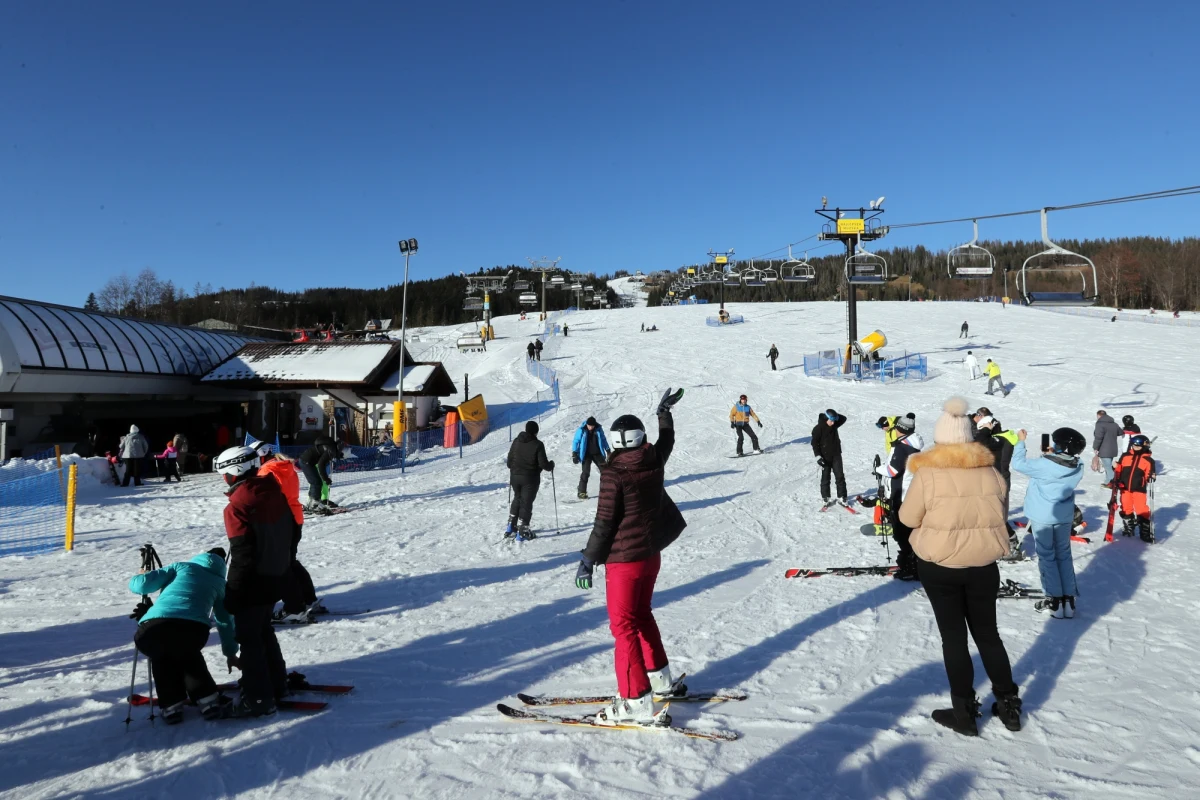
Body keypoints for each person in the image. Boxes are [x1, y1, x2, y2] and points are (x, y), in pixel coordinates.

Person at [898, 396, 1020, 736]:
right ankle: (1009, 706)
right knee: (988, 635)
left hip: (941, 566)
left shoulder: (929, 474)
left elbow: (907, 517)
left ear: (939, 440)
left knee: (954, 638)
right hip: (984, 564)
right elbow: (1000, 515)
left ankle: (964, 714)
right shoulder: (992, 473)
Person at [574, 389, 686, 726]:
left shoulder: (614, 474)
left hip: (624, 562)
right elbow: (666, 439)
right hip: (650, 556)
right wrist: (663, 412)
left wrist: (588, 559)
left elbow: (605, 522)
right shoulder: (652, 458)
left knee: (624, 628)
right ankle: (660, 681)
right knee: (641, 616)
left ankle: (636, 701)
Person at [215, 445, 295, 717]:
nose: (224, 480)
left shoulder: (238, 504)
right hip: (276, 575)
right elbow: (292, 533)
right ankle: (277, 684)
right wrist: (285, 568)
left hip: (254, 580)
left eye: (224, 475)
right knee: (263, 631)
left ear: (233, 472)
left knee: (248, 636)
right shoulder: (274, 491)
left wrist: (233, 591)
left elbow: (241, 553)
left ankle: (259, 698)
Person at [128, 547, 239, 723]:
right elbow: (225, 622)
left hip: (152, 628)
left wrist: (142, 574)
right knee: (187, 655)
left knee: (161, 657)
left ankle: (171, 705)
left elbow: (140, 585)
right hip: (193, 630)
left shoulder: (181, 567)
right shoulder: (220, 583)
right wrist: (231, 653)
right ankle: (208, 700)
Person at [1011, 427, 1085, 619]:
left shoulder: (1043, 465)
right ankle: (1068, 600)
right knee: (1063, 555)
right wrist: (1055, 455)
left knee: (1047, 556)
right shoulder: (1077, 466)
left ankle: (1054, 601)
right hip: (1063, 516)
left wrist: (1020, 442)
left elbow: (1018, 463)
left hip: (1042, 516)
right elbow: (1062, 463)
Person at [254, 441, 321, 622]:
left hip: (281, 521)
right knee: (290, 562)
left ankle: (294, 607)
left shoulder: (267, 471)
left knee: (282, 566)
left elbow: (265, 498)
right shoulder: (284, 466)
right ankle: (308, 599)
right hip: (294, 517)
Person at [877, 414, 922, 580]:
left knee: (902, 532)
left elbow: (893, 471)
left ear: (900, 429)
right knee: (908, 531)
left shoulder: (902, 447)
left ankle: (912, 566)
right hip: (909, 492)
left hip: (900, 494)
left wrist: (879, 469)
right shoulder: (913, 445)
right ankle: (913, 562)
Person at [975, 414, 1020, 555]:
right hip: (996, 478)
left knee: (995, 514)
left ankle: (1012, 543)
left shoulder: (1000, 438)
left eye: (984, 428)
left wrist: (986, 430)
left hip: (998, 480)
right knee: (991, 513)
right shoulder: (1001, 438)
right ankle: (999, 541)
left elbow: (980, 442)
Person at [505, 421, 555, 539]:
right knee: (526, 503)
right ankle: (523, 530)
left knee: (517, 498)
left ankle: (511, 525)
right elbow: (543, 464)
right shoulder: (538, 444)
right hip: (530, 478)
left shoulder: (516, 441)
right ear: (536, 432)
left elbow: (509, 462)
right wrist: (551, 465)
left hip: (515, 477)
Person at [1114, 434, 1157, 543]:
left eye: (1138, 446)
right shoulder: (1125, 456)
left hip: (1139, 488)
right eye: (1134, 445)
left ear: (1144, 446)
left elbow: (1149, 473)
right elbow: (1119, 468)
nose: (1136, 448)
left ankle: (1145, 532)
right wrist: (1115, 468)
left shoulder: (1149, 460)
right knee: (1126, 506)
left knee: (1141, 508)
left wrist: (1151, 476)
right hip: (1124, 487)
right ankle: (1129, 527)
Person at [811, 409, 849, 508]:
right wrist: (818, 457)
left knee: (840, 476)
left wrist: (835, 415)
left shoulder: (834, 424)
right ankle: (826, 497)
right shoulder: (818, 428)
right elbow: (814, 444)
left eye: (834, 420)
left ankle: (842, 497)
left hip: (836, 455)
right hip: (825, 457)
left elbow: (844, 418)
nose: (833, 423)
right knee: (825, 478)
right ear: (826, 418)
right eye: (831, 420)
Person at [297, 435, 340, 514]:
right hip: (306, 461)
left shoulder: (331, 447)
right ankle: (314, 504)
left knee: (316, 482)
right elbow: (321, 465)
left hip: (308, 462)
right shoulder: (330, 450)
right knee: (316, 482)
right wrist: (326, 478)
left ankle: (312, 502)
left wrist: (325, 478)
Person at [572, 417, 609, 500]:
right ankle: (581, 491)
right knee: (586, 472)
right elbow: (576, 441)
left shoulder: (598, 429)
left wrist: (608, 450)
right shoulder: (582, 430)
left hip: (597, 453)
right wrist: (574, 453)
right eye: (589, 425)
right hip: (586, 454)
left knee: (605, 471)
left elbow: (603, 439)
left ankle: (607, 490)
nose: (590, 427)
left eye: (592, 426)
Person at [1092, 410, 1122, 487]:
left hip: (1104, 449)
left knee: (1108, 467)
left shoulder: (1099, 424)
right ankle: (1107, 482)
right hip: (1113, 449)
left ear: (1099, 416)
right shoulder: (1114, 424)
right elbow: (1120, 432)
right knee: (1107, 466)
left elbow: (1098, 437)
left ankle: (1113, 483)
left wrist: (1095, 447)